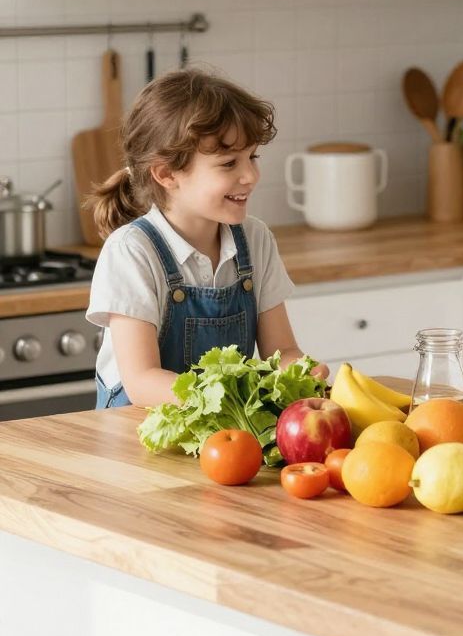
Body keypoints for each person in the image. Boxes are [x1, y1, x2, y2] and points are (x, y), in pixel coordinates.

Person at [87, 68, 327, 407]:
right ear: (167, 173)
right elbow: (142, 381)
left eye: (252, 157)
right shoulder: (131, 252)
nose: (251, 176)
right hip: (134, 439)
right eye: (229, 164)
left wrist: (300, 371)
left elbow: (282, 351)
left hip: (221, 437)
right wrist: (233, 396)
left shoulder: (255, 239)